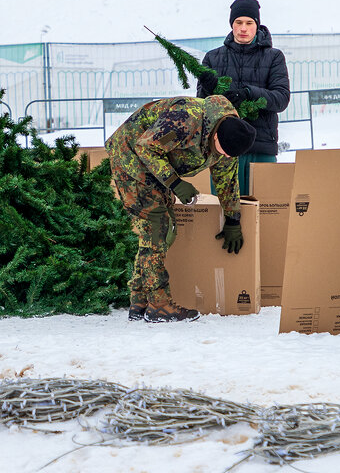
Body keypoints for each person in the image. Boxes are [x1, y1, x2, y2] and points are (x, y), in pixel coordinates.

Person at [105, 95, 257, 323]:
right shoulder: (185, 119)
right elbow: (146, 147)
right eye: (223, 151)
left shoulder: (230, 139)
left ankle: (139, 301)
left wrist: (233, 219)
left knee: (162, 229)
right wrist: (175, 183)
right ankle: (159, 305)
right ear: (215, 135)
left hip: (156, 164)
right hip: (130, 156)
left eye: (229, 155)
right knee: (157, 226)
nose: (225, 156)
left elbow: (227, 180)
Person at [195, 0, 291, 196]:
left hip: (261, 147)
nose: (243, 28)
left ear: (257, 25)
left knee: (265, 211)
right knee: (226, 215)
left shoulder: (274, 57)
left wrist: (249, 93)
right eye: (238, 22)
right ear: (232, 25)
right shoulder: (212, 58)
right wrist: (210, 90)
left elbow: (281, 98)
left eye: (249, 23)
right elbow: (202, 106)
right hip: (224, 149)